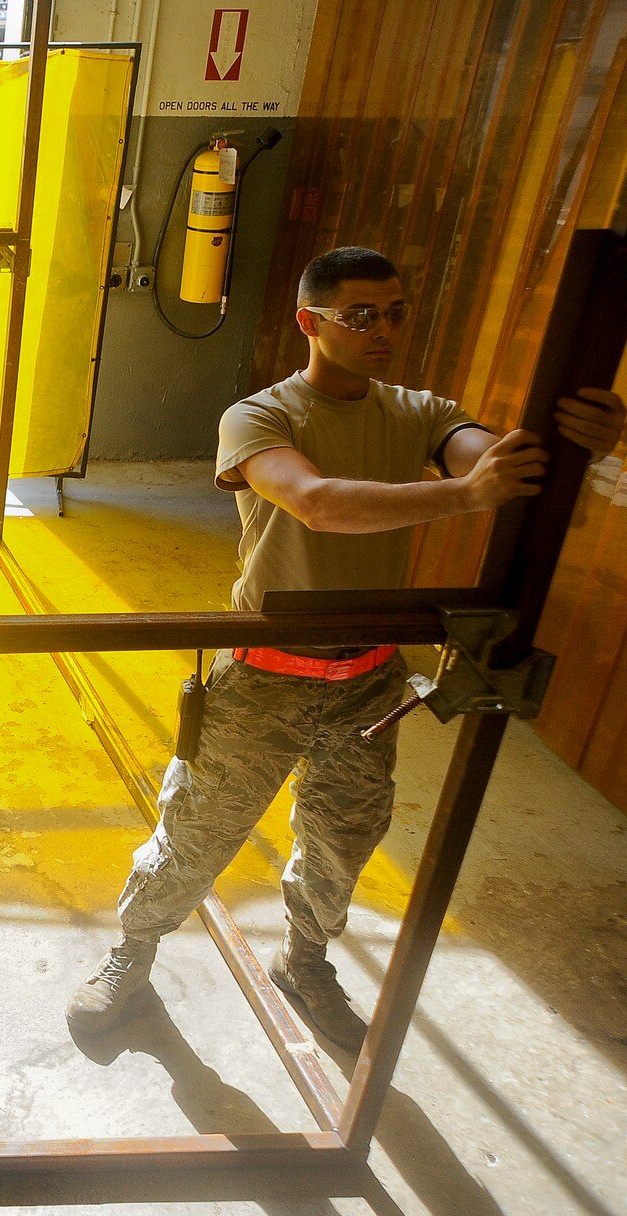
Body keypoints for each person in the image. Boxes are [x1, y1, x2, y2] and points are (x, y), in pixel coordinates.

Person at [66, 246, 625, 1048]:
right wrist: (468, 495)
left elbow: (495, 466)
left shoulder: (423, 413)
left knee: (341, 840)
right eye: (361, 315)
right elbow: (315, 503)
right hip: (263, 678)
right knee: (197, 830)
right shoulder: (260, 417)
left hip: (368, 677)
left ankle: (306, 960)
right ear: (311, 323)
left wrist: (581, 448)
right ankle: (135, 948)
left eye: (396, 312)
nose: (384, 329)